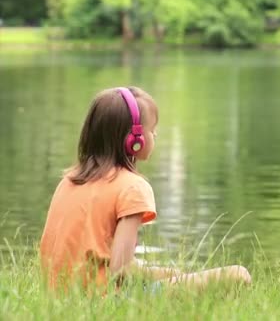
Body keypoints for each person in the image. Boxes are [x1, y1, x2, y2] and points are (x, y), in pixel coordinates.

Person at [39, 86, 251, 294]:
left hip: (60, 298)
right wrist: (164, 276)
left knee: (176, 276)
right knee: (238, 275)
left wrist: (167, 274)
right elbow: (120, 270)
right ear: (135, 140)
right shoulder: (132, 187)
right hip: (106, 302)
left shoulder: (68, 181)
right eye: (152, 129)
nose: (155, 134)